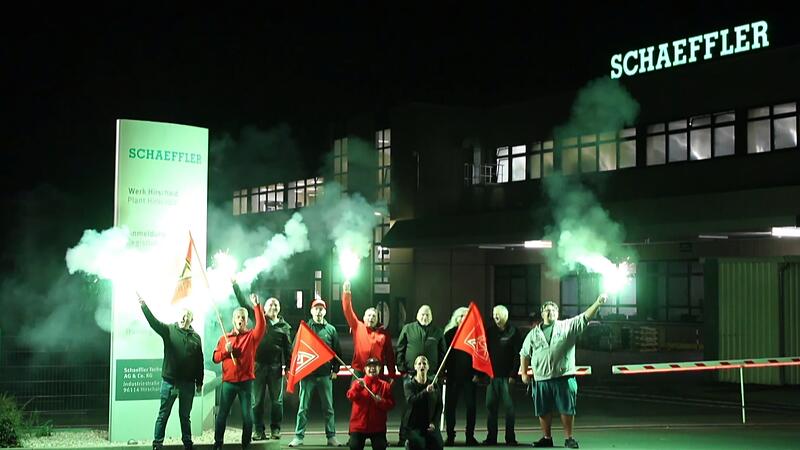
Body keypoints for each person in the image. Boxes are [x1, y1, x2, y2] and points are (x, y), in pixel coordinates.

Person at [520, 295, 607, 449]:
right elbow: (524, 353)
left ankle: (569, 438)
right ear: (542, 314)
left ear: (557, 313)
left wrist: (598, 303)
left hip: (564, 377)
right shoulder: (533, 334)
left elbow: (584, 317)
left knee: (566, 409)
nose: (550, 312)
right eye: (547, 310)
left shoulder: (567, 326)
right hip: (541, 378)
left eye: (553, 310)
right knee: (543, 410)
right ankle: (547, 438)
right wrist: (525, 373)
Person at [138, 295, 203, 450]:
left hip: (188, 384)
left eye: (188, 315)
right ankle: (157, 444)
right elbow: (153, 323)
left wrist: (199, 382)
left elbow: (199, 361)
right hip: (169, 382)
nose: (184, 317)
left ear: (191, 320)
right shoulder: (168, 330)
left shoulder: (196, 338)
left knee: (185, 417)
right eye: (182, 314)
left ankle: (188, 444)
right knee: (163, 415)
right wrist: (144, 306)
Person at [232, 280, 292, 440]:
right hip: (258, 367)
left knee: (277, 402)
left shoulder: (285, 327)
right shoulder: (259, 318)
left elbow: (288, 349)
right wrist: (235, 285)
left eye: (276, 305)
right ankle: (258, 430)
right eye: (270, 305)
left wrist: (289, 368)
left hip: (275, 368)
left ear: (279, 309)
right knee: (256, 402)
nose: (273, 307)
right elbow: (242, 302)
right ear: (264, 308)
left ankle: (275, 429)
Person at [212, 293, 266, 450]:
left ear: (246, 320)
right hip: (228, 382)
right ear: (233, 320)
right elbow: (215, 358)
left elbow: (261, 326)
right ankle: (218, 443)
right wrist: (225, 352)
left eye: (243, 317)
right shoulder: (225, 338)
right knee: (222, 414)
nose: (241, 320)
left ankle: (246, 444)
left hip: (245, 383)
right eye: (238, 317)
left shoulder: (251, 337)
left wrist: (256, 306)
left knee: (247, 416)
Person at [288, 297, 344, 448]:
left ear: (325, 311)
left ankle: (331, 436)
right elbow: (296, 351)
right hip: (307, 376)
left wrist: (335, 370)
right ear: (311, 311)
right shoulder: (305, 328)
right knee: (303, 408)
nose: (319, 311)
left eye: (321, 309)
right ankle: (298, 436)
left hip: (325, 375)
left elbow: (337, 352)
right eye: (316, 308)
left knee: (328, 408)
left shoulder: (331, 329)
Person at [395, 305, 446, 447]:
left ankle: (430, 432)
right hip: (411, 375)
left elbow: (443, 352)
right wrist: (402, 369)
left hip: (431, 377)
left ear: (431, 316)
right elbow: (400, 348)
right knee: (409, 407)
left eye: (427, 315)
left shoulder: (437, 331)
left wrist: (440, 373)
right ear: (417, 315)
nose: (425, 317)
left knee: (431, 406)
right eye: (422, 314)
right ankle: (404, 436)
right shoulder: (408, 329)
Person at [483, 304, 523, 446]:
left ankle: (510, 438)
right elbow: (483, 353)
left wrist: (514, 374)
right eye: (494, 315)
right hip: (492, 378)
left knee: (509, 409)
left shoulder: (513, 332)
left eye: (498, 314)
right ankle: (491, 438)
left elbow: (519, 355)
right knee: (490, 407)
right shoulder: (489, 332)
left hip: (507, 378)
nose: (495, 317)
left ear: (505, 315)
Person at [341, 281, 398, 379]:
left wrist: (391, 374)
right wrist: (346, 293)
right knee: (354, 394)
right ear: (363, 317)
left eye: (374, 316)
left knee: (376, 395)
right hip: (359, 371)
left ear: (377, 319)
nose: (371, 318)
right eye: (369, 315)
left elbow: (389, 355)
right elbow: (348, 311)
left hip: (376, 372)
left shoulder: (384, 334)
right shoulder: (358, 326)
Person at [442, 307, 478, 447]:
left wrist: (477, 373)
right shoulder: (450, 334)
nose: (463, 318)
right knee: (450, 407)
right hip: (453, 377)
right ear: (456, 317)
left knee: (471, 407)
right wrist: (443, 373)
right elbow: (443, 355)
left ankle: (470, 436)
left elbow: (479, 355)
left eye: (466, 315)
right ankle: (450, 436)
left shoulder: (474, 335)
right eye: (461, 315)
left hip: (469, 377)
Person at [346, 357, 396, 450]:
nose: (372, 368)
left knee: (380, 447)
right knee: (354, 446)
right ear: (365, 369)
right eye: (369, 366)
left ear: (379, 369)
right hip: (358, 427)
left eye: (375, 366)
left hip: (377, 428)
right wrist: (357, 387)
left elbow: (391, 404)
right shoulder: (358, 383)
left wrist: (381, 401)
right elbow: (350, 396)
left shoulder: (385, 385)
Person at [403, 355, 444, 450]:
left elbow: (439, 405)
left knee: (438, 446)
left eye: (424, 363)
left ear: (428, 367)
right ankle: (409, 443)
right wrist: (425, 391)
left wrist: (434, 423)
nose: (422, 366)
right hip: (414, 426)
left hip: (429, 425)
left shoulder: (434, 385)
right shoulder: (409, 384)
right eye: (419, 363)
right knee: (420, 445)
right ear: (415, 367)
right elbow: (411, 401)